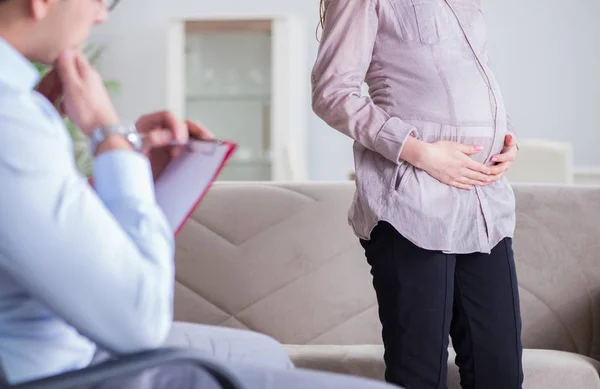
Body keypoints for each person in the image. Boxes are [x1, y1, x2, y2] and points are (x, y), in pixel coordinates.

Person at [0, 0, 401, 388]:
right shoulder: (13, 121)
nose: (101, 15)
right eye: (103, 0)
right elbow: (140, 320)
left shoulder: (22, 108)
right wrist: (110, 138)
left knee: (264, 353)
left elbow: (46, 233)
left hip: (64, 338)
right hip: (66, 367)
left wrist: (129, 169)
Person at [312, 1, 523, 389]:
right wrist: (421, 152)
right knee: (419, 374)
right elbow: (332, 93)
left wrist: (505, 138)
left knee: (501, 374)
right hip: (411, 204)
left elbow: (475, 77)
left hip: (484, 206)